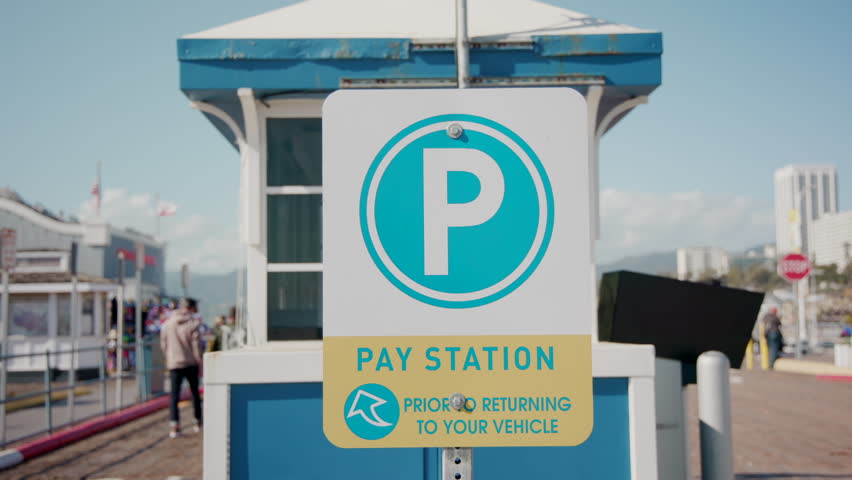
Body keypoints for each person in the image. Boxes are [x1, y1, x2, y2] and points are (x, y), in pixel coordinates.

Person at [160, 298, 203, 438]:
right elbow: (196, 346)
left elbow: (163, 345)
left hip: (174, 363)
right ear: (192, 308)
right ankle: (197, 422)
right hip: (190, 363)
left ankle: (174, 426)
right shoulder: (193, 324)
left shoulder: (167, 324)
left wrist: (169, 357)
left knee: (174, 396)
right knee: (195, 394)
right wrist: (200, 363)